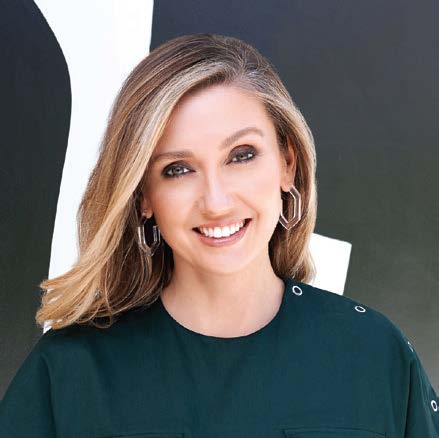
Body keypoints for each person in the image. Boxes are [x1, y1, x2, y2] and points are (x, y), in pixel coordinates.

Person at [0, 33, 438, 437]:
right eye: (178, 169)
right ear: (143, 195)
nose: (216, 201)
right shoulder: (70, 374)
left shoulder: (376, 356)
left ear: (287, 164)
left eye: (241, 155)